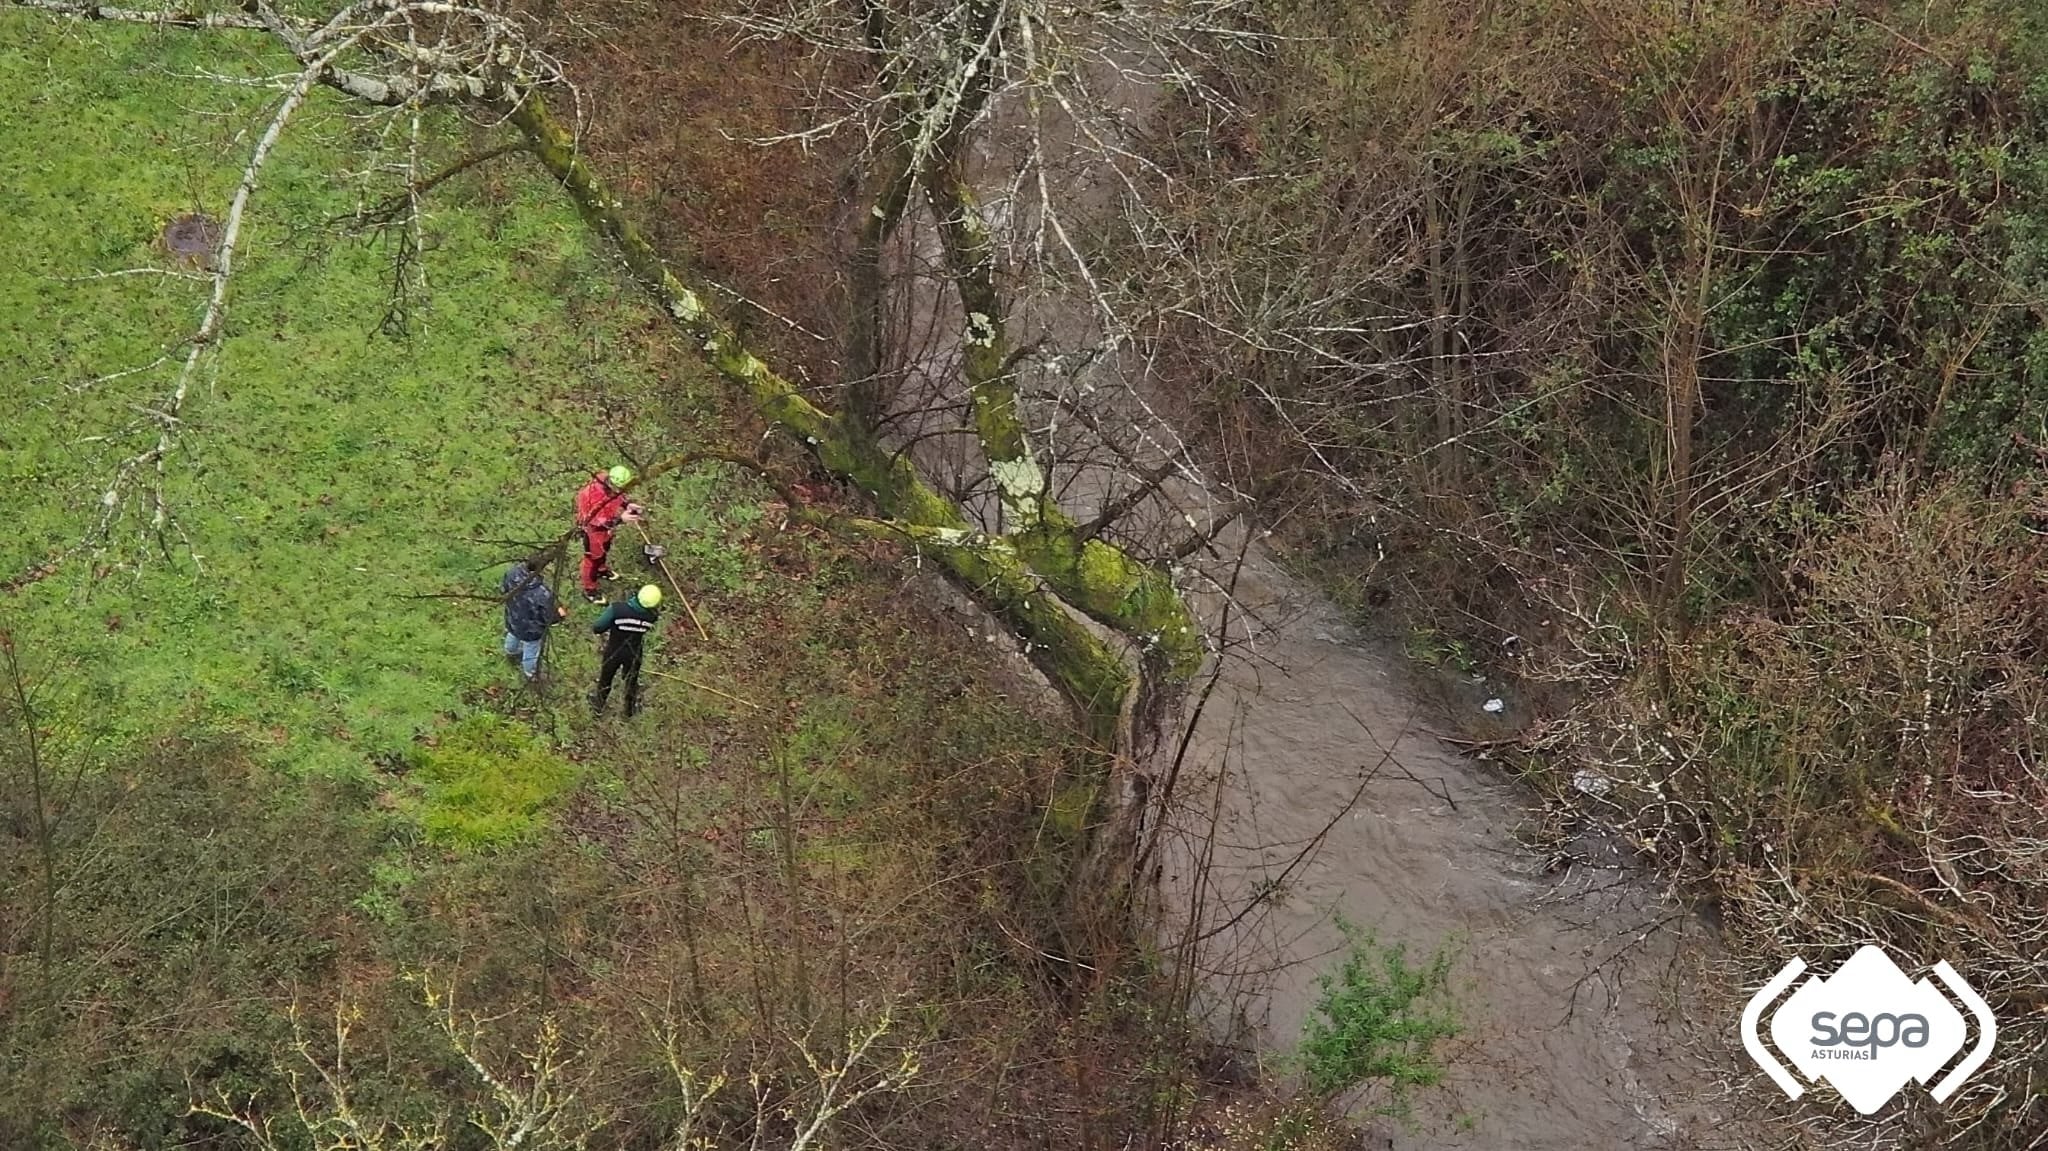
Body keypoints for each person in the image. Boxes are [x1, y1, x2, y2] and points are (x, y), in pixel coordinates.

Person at [591, 583, 663, 717]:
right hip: (634, 653)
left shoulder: (617, 609)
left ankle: (598, 706)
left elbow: (598, 627)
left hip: (614, 651)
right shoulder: (652, 617)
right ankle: (629, 710)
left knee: (605, 679)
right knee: (631, 681)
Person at [575, 464, 644, 603]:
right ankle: (590, 590)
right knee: (592, 560)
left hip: (605, 530)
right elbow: (597, 522)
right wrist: (621, 519)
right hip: (594, 532)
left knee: (605, 549)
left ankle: (601, 569)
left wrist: (627, 505)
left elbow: (618, 496)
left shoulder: (608, 481)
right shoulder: (594, 498)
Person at [501, 557, 567, 683]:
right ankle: (530, 672)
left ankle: (511, 652)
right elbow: (549, 616)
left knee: (512, 634)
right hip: (531, 628)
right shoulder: (541, 593)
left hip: (513, 616)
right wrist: (559, 616)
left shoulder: (512, 573)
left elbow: (504, 589)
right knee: (531, 649)